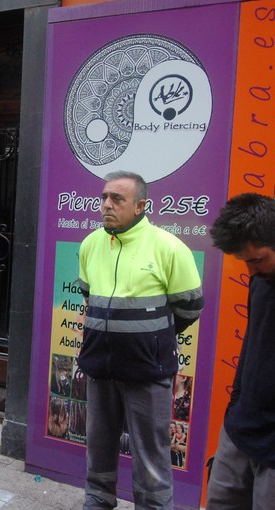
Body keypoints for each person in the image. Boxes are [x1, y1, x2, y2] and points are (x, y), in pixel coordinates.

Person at [77, 171, 204, 509]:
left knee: (151, 455)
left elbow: (190, 308)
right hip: (101, 369)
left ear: (140, 206)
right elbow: (90, 296)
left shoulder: (169, 247)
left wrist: (150, 340)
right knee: (99, 446)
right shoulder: (90, 244)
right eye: (104, 197)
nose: (106, 204)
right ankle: (97, 501)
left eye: (117, 199)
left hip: (148, 372)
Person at [206, 193, 275, 509]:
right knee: (219, 502)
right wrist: (235, 403)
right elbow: (251, 342)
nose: (250, 271)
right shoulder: (261, 279)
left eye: (257, 259)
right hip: (240, 428)